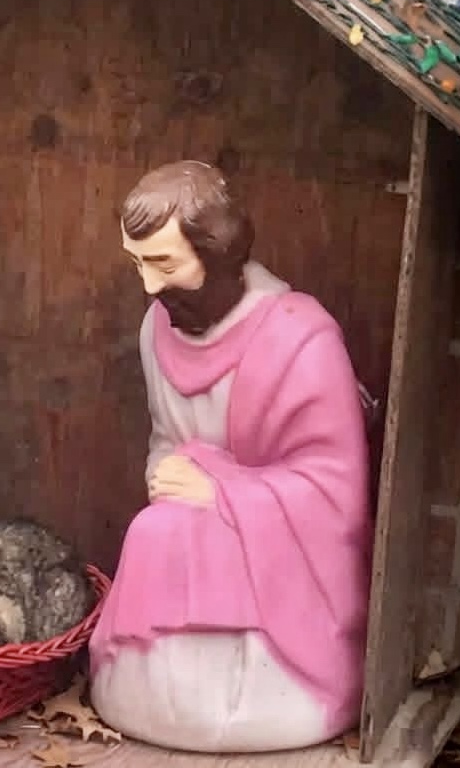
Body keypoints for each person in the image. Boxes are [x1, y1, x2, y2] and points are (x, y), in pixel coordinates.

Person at [89, 160, 372, 752]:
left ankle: (260, 695)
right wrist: (166, 474)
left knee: (173, 531)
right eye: (137, 264)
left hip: (284, 551)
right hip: (185, 523)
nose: (149, 285)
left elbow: (334, 486)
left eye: (165, 264)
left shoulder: (300, 337)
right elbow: (166, 439)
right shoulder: (155, 329)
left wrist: (223, 494)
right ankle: (153, 694)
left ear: (216, 255)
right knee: (155, 531)